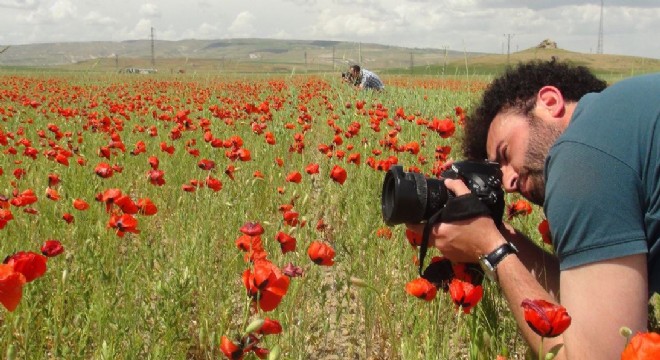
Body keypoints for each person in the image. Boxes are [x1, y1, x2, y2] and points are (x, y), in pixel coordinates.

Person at [408, 59, 660, 359]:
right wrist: (499, 234)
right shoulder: (626, 118)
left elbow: (600, 355)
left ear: (550, 102)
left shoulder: (580, 151)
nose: (508, 182)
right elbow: (595, 304)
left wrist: (492, 249)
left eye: (505, 153)